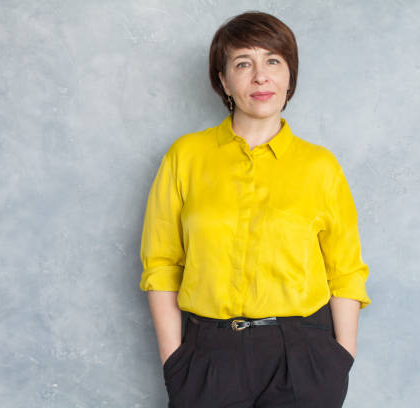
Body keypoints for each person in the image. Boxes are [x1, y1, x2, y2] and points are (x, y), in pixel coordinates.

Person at [139, 10, 371, 408]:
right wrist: (174, 359)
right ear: (223, 81)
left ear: (289, 77)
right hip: (207, 356)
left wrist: (340, 358)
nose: (260, 76)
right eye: (243, 63)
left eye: (273, 61)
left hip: (303, 358)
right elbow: (161, 262)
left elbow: (345, 271)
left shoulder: (320, 166)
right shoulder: (186, 156)